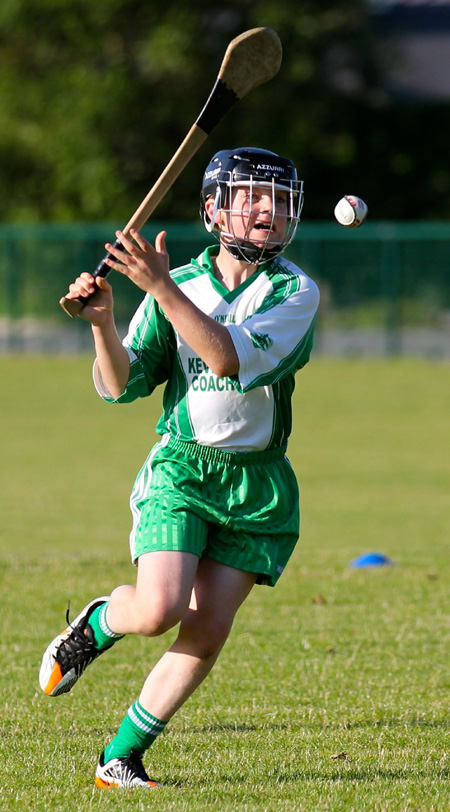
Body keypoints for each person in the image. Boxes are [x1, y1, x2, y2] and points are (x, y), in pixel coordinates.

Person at [39, 147, 320, 789]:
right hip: (183, 471)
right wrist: (104, 323)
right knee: (158, 609)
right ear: (213, 208)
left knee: (208, 627)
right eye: (250, 196)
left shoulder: (295, 292)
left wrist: (158, 287)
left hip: (259, 484)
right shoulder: (184, 281)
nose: (266, 211)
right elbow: (120, 386)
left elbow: (225, 359)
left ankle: (121, 758)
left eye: (277, 201)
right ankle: (103, 620)